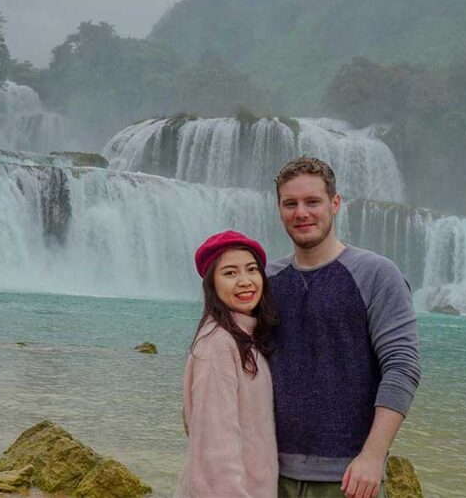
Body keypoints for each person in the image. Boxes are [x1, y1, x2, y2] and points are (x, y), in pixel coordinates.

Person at [267, 157, 421, 498]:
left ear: (335, 204)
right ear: (279, 209)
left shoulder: (377, 274)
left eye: (313, 202)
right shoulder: (264, 281)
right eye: (290, 204)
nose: (301, 213)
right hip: (270, 473)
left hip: (350, 478)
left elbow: (402, 367)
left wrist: (373, 456)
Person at [175, 230, 279, 498]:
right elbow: (216, 449)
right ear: (212, 284)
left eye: (252, 270)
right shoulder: (219, 345)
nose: (245, 281)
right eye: (230, 273)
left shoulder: (247, 338)